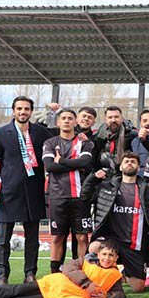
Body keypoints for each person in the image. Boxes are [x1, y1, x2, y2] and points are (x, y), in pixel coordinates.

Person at [0, 96, 53, 285]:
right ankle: (2, 276)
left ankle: (30, 273)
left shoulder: (41, 132)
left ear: (31, 111)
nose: (23, 112)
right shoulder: (1, 133)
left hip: (34, 192)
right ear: (13, 111)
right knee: (3, 239)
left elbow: (61, 137)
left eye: (26, 109)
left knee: (32, 239)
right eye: (19, 109)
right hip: (9, 192)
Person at [0, 240, 125, 298]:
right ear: (98, 254)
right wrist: (88, 283)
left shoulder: (115, 274)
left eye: (111, 256)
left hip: (64, 297)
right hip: (54, 284)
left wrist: (107, 297)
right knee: (15, 290)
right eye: (104, 254)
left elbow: (119, 294)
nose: (107, 258)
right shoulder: (86, 261)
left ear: (116, 258)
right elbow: (68, 267)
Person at [81, 152, 149, 293]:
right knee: (94, 247)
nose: (129, 163)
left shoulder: (148, 189)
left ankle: (121, 272)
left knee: (138, 288)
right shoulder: (108, 186)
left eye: (133, 161)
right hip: (112, 239)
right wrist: (92, 178)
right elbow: (84, 197)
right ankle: (93, 280)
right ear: (120, 167)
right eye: (126, 161)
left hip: (134, 245)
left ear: (138, 167)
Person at [41, 108, 93, 273]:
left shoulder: (85, 142)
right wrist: (74, 164)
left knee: (82, 236)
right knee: (58, 236)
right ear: (58, 122)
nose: (66, 121)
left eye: (70, 118)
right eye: (63, 118)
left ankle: (82, 271)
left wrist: (62, 161)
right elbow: (50, 166)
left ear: (75, 122)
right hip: (57, 196)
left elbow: (85, 163)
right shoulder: (50, 143)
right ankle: (55, 272)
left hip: (80, 196)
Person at [91, 106, 137, 172]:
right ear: (105, 120)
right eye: (110, 117)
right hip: (103, 173)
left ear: (122, 118)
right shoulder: (99, 135)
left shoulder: (132, 135)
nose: (113, 120)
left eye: (116, 117)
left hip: (124, 173)